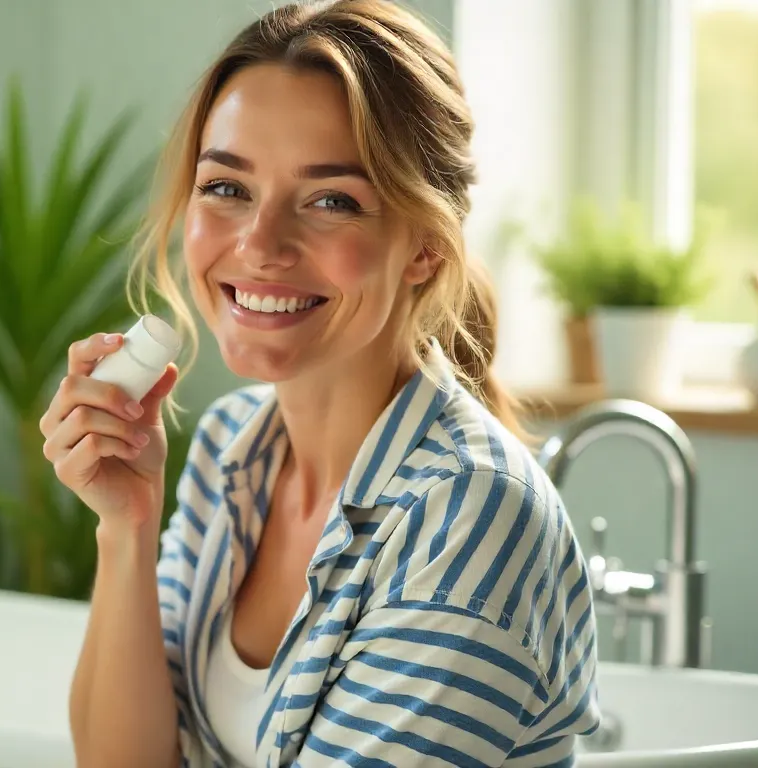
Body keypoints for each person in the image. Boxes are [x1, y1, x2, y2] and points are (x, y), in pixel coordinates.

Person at [38, 1, 601, 765]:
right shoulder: (231, 448)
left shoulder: (469, 517)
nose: (259, 244)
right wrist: (125, 527)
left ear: (426, 249)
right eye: (226, 188)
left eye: (331, 200)